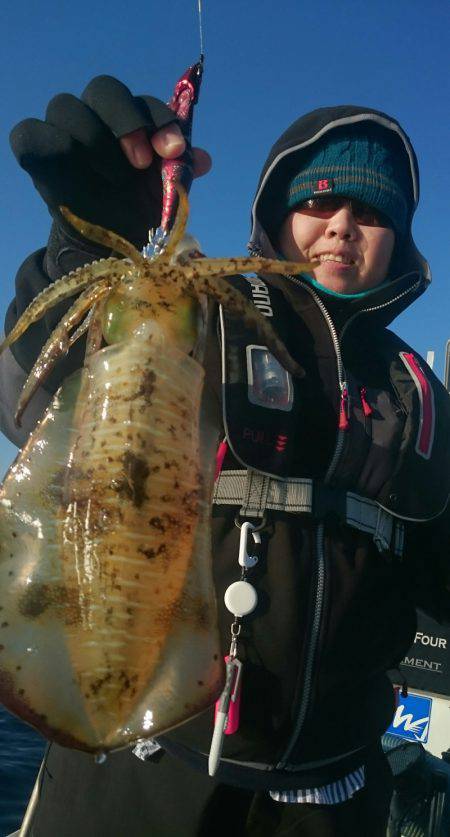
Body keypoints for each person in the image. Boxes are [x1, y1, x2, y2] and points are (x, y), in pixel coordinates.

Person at [2, 76, 450, 837]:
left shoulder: (418, 396)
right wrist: (75, 254)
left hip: (333, 796)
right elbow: (29, 393)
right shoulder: (205, 320)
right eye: (321, 202)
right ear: (276, 216)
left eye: (372, 213)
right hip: (149, 775)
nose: (342, 226)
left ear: (399, 241)